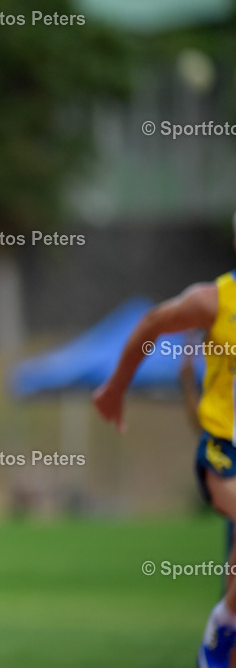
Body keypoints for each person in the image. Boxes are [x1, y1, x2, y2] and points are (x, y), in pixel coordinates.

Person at [93, 214, 236, 668]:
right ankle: (222, 627)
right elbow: (154, 322)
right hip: (224, 448)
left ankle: (225, 631)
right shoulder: (214, 301)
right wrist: (116, 387)